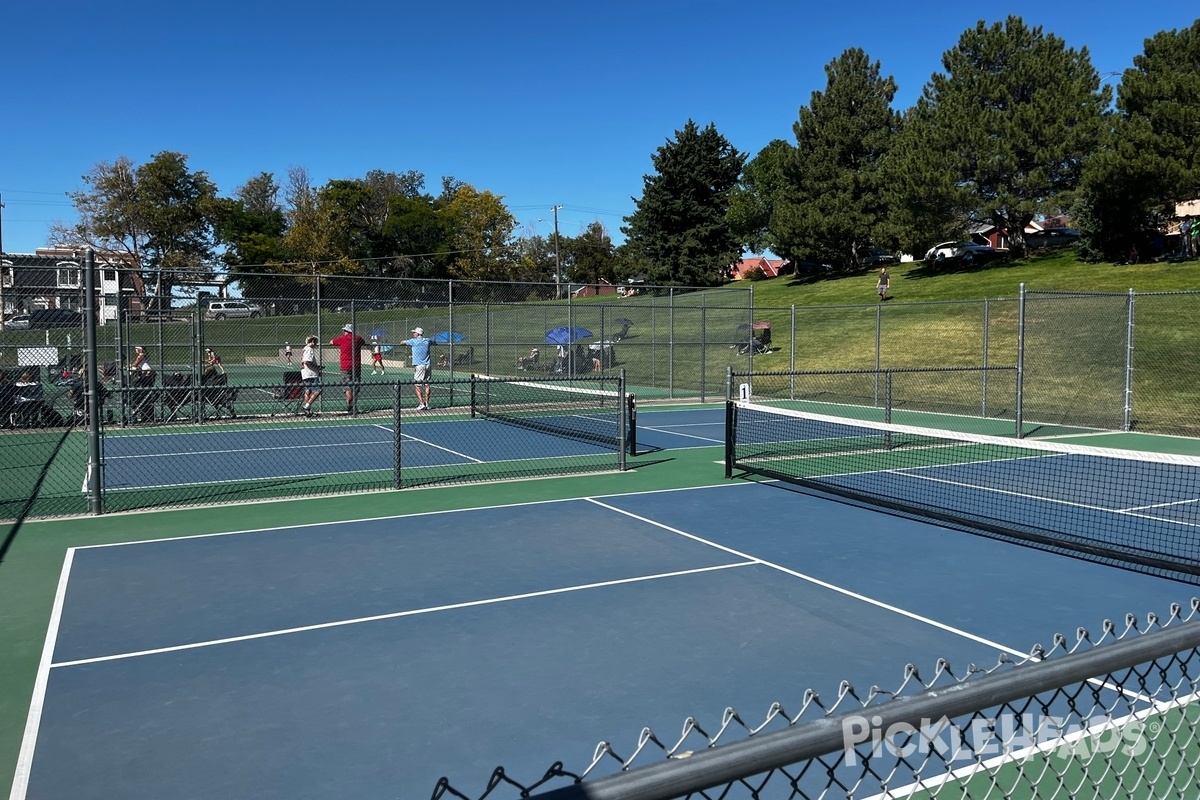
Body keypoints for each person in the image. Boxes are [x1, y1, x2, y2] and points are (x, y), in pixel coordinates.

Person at [330, 323, 366, 414]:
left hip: (345, 366)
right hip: (356, 365)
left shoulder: (342, 339)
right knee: (356, 386)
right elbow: (363, 342)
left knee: (347, 386)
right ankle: (353, 405)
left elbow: (331, 342)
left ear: (346, 331)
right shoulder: (358, 338)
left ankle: (350, 404)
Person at [402, 327, 433, 410]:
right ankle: (427, 404)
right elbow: (433, 341)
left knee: (417, 385)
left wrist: (405, 341)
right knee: (427, 384)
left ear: (418, 334)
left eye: (415, 332)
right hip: (428, 365)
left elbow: (402, 342)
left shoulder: (413, 341)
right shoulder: (428, 340)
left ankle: (421, 404)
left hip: (419, 365)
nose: (413, 334)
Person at [299, 335, 322, 416]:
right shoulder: (309, 349)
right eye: (315, 342)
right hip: (311, 373)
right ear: (312, 341)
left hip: (305, 373)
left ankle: (307, 410)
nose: (316, 344)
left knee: (308, 390)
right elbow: (307, 361)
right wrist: (317, 367)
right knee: (318, 390)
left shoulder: (305, 348)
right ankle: (307, 406)